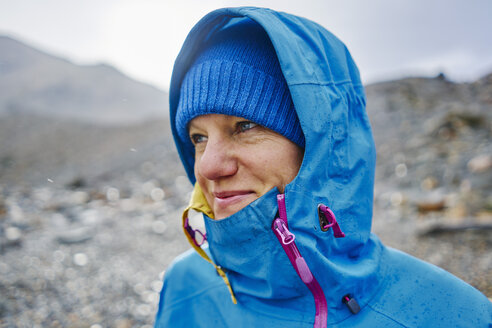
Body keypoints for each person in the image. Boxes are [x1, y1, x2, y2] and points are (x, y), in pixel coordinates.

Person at [155, 7, 492, 327]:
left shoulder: (456, 315)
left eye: (245, 127)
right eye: (198, 138)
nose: (209, 167)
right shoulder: (184, 286)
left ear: (322, 147)